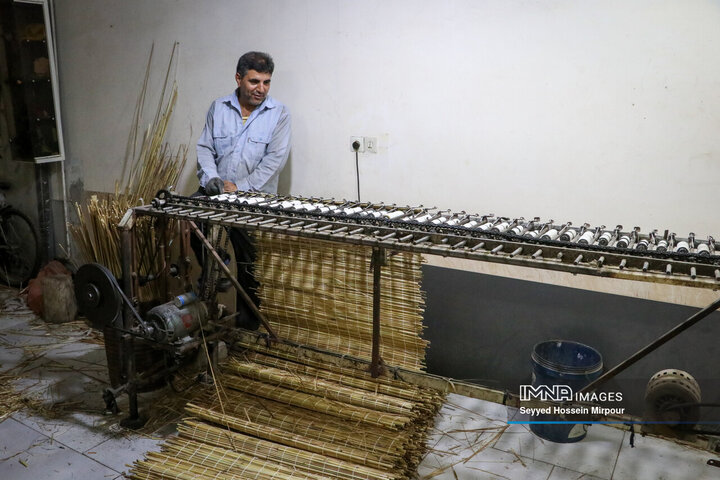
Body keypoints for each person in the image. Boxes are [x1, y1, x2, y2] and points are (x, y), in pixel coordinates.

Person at [194, 51, 291, 328]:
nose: (261, 89)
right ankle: (218, 263)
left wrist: (240, 188)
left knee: (250, 266)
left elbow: (274, 161)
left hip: (253, 198)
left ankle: (247, 331)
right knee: (189, 216)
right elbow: (205, 148)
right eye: (254, 82)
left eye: (267, 82)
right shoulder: (219, 107)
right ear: (238, 78)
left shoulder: (279, 114)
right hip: (216, 191)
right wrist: (212, 178)